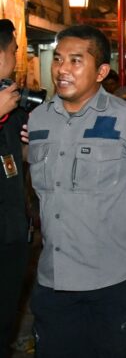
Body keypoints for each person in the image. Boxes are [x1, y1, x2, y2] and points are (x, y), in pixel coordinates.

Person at [26, 25, 126, 357]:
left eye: (75, 60)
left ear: (101, 71)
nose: (62, 69)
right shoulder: (38, 120)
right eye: (58, 59)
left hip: (114, 282)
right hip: (54, 281)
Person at [0, 19, 30, 358]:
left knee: (6, 319)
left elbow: (19, 158)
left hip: (12, 231)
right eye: (14, 51)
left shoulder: (13, 101)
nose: (17, 57)